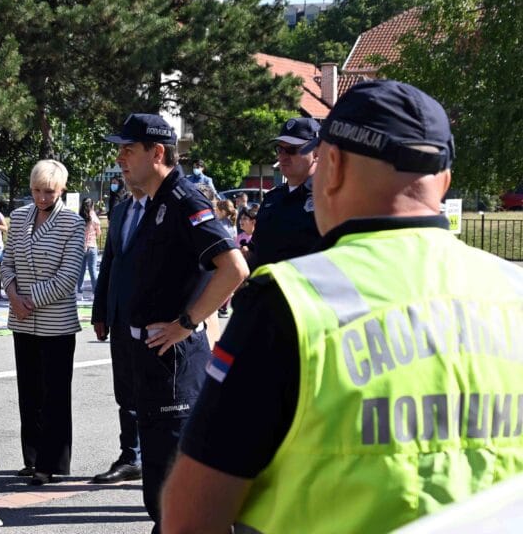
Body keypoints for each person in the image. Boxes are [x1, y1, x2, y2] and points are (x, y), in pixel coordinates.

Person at [162, 80, 523, 534]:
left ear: (330, 166)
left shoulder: (292, 303)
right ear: (445, 181)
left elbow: (191, 515)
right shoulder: (513, 290)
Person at [103, 114, 248, 533]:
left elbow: (234, 269)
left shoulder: (185, 200)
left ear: (158, 152)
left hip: (174, 362)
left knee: (173, 492)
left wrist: (187, 322)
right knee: (158, 489)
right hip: (147, 359)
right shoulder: (150, 204)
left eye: (128, 150)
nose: (120, 158)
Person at [1, 159, 85, 486]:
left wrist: (30, 299)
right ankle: (31, 457)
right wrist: (13, 296)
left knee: (55, 396)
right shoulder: (19, 217)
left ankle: (52, 462)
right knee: (29, 393)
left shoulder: (73, 224)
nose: (41, 197)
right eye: (36, 190)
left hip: (56, 324)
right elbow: (7, 263)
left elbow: (68, 278)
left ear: (61, 188)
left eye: (48, 191)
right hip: (20, 321)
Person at [91, 185, 148, 484]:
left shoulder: (167, 208)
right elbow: (110, 262)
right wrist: (100, 311)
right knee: (125, 392)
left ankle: (158, 458)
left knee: (156, 393)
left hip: (155, 320)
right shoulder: (121, 211)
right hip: (120, 317)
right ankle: (131, 456)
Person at [246, 117, 322, 270]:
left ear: (316, 152)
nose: (283, 156)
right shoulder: (272, 199)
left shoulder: (327, 199)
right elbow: (255, 250)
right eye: (280, 149)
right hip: (264, 290)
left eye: (292, 149)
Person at [76, 198, 101, 299]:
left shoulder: (79, 217)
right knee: (93, 271)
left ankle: (79, 292)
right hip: (92, 246)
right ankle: (95, 293)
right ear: (92, 206)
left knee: (80, 271)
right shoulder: (94, 218)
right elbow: (99, 233)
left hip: (81, 248)